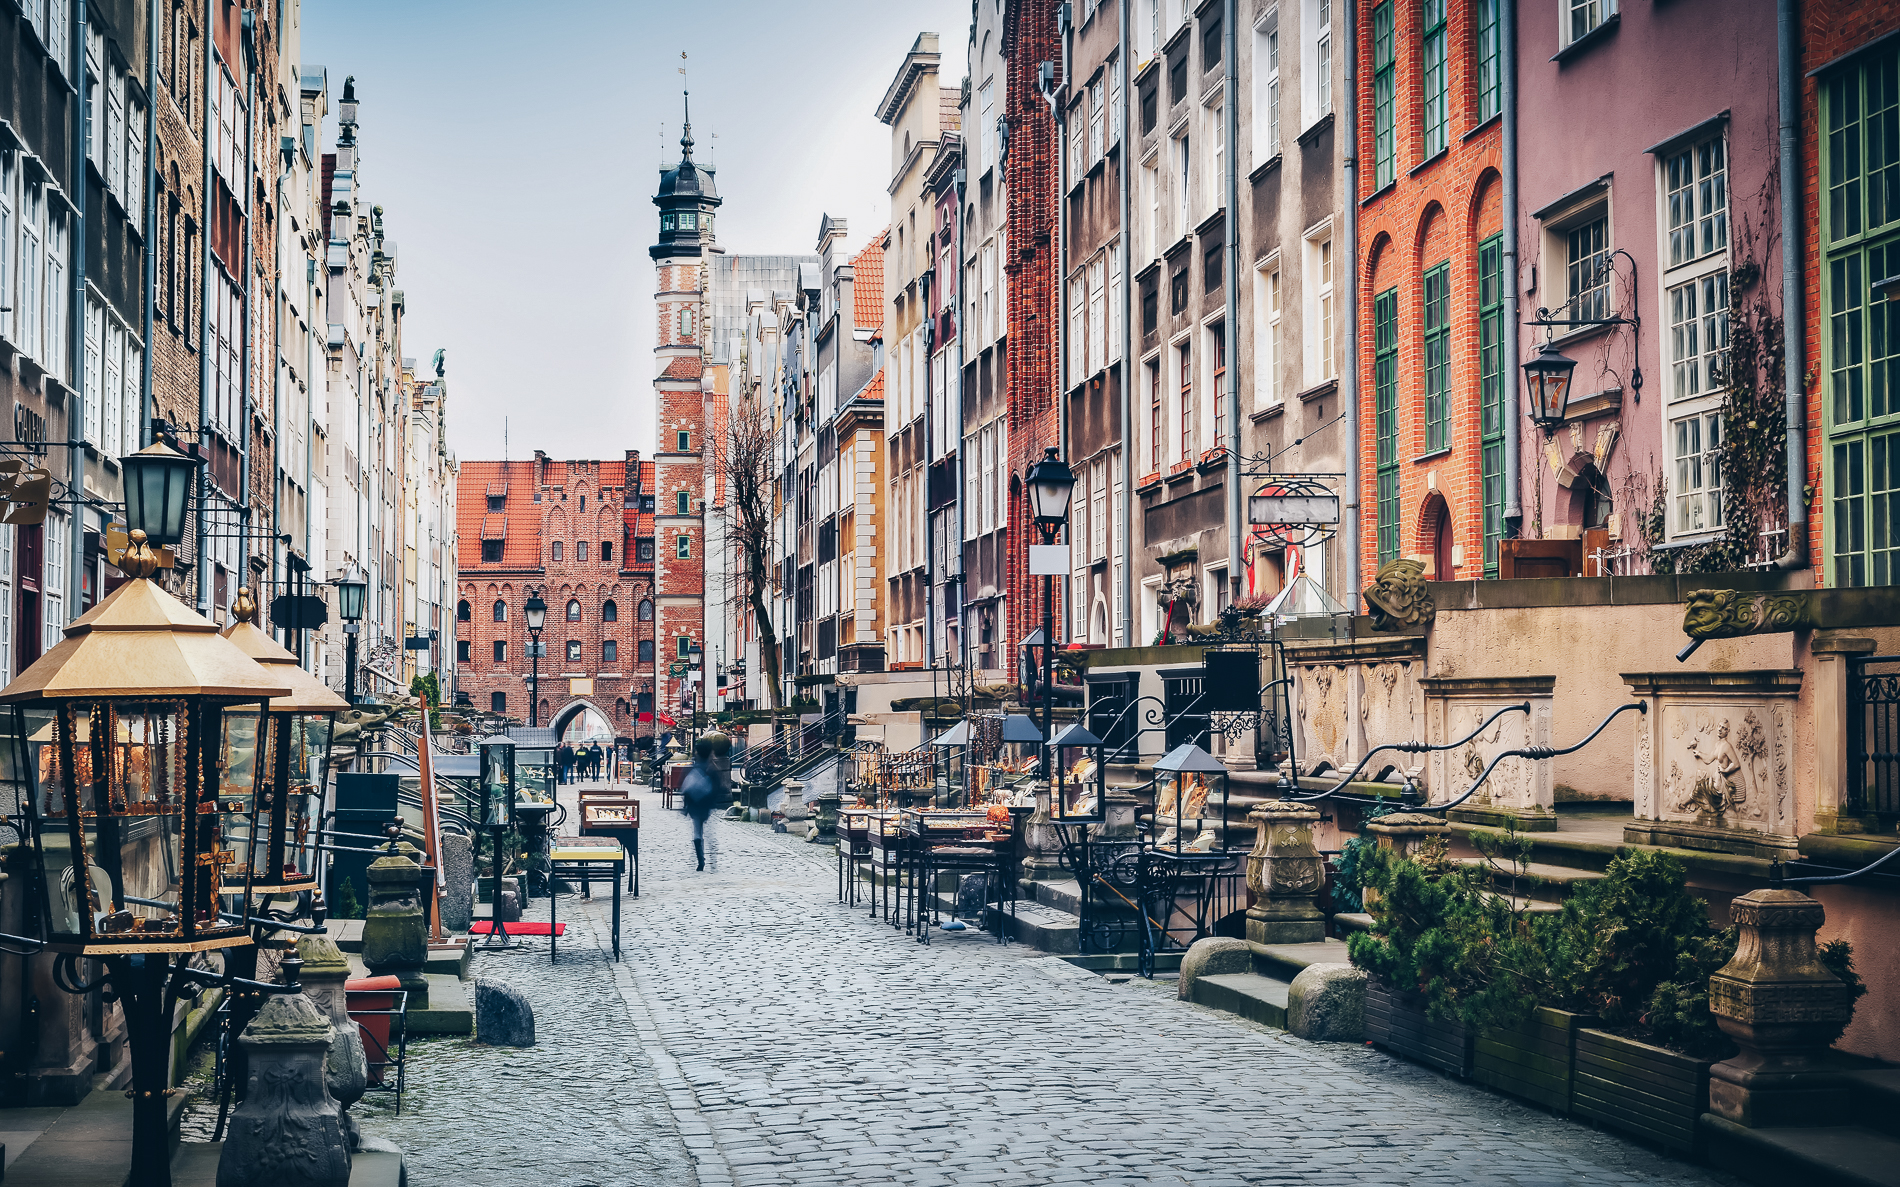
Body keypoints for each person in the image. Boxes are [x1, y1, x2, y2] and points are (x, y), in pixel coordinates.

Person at [679, 738, 724, 871]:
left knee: (697, 832)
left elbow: (685, 788)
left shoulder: (693, 769)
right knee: (710, 834)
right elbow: (718, 788)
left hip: (694, 804)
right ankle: (712, 860)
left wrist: (686, 806)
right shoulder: (711, 770)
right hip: (706, 804)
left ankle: (701, 860)